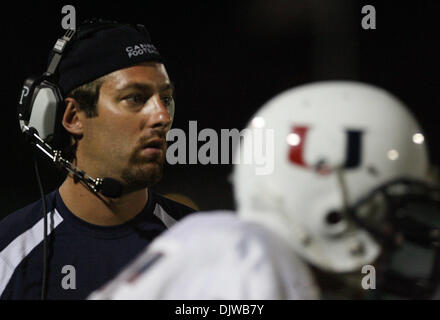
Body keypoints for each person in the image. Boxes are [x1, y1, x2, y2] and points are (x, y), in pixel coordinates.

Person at [89, 81, 440, 300]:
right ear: (330, 212)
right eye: (387, 212)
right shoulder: (249, 259)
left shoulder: (237, 250)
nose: (395, 238)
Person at [0, 19, 195, 299]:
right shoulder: (8, 255)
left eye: (165, 99)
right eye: (135, 98)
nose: (162, 117)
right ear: (72, 117)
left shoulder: (206, 247)